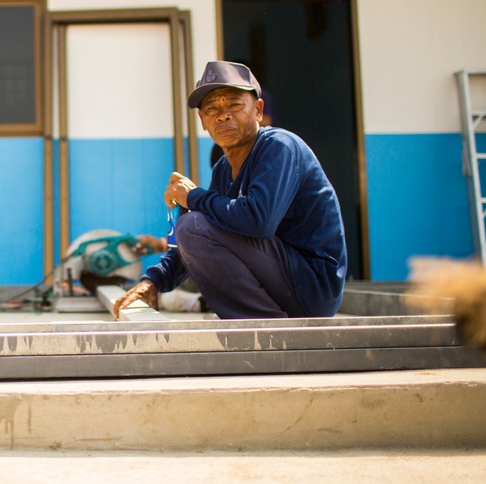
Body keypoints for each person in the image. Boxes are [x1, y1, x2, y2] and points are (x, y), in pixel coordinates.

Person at [114, 61, 347, 320]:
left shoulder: (279, 146)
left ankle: (263, 328)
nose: (222, 115)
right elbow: (201, 237)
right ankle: (263, 322)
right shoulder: (223, 169)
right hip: (283, 286)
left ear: (258, 110)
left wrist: (193, 196)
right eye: (212, 108)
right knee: (194, 226)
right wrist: (153, 282)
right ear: (202, 121)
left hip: (313, 289)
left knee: (193, 224)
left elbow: (259, 220)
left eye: (234, 105)